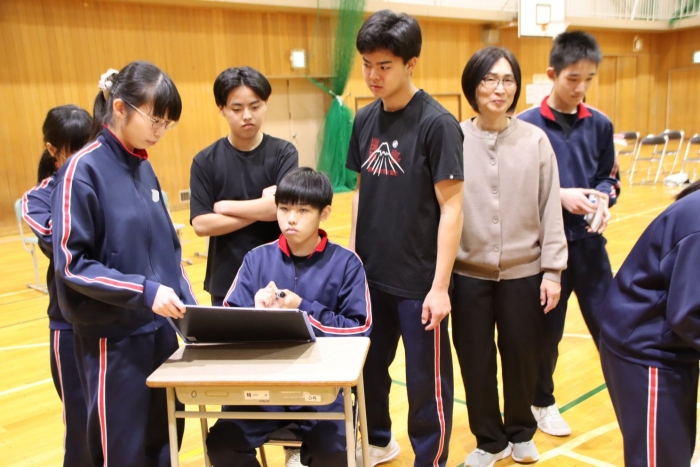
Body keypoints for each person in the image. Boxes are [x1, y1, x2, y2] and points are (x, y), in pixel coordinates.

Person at [51, 62, 197, 467]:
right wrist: (144, 291)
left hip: (160, 334)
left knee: (164, 444)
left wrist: (193, 314)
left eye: (167, 123)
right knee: (122, 452)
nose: (160, 131)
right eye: (155, 119)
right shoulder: (82, 170)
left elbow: (168, 251)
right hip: (113, 340)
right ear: (119, 107)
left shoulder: (144, 167)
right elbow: (73, 263)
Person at [346, 10, 464, 467]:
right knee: (370, 370)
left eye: (385, 66)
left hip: (419, 283)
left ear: (410, 63)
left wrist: (440, 287)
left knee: (425, 383)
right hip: (371, 276)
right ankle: (378, 441)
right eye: (366, 64)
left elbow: (452, 208)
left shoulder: (438, 124)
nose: (373, 75)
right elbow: (361, 192)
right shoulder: (363, 119)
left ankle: (430, 460)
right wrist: (352, 261)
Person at [205, 167, 372, 467]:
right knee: (221, 443)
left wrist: (302, 309)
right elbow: (227, 324)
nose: (291, 218)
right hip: (262, 389)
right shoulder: (256, 259)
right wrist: (255, 313)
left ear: (324, 213)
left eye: (303, 210)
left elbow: (359, 330)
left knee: (334, 452)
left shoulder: (347, 263)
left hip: (322, 391)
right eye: (284, 209)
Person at [452, 47, 568, 467]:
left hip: (524, 272)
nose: (499, 89)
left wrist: (552, 271)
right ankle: (489, 441)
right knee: (475, 360)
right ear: (473, 85)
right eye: (489, 79)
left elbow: (550, 206)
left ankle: (521, 431)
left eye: (507, 80)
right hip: (467, 274)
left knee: (522, 356)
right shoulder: (453, 138)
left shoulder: (535, 140)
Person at [518, 30, 619, 437]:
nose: (580, 88)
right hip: (545, 252)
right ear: (552, 74)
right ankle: (541, 402)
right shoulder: (525, 125)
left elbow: (609, 178)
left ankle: (630, 397)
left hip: (591, 249)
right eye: (572, 78)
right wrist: (559, 195)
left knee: (613, 327)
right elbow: (514, 187)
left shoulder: (601, 124)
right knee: (547, 336)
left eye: (588, 79)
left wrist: (603, 198)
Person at [599, 181, 700, 467]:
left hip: (673, 347)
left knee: (675, 453)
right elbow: (688, 313)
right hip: (648, 349)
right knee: (659, 460)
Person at [190, 66, 298, 306]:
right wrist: (263, 208)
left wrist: (226, 207)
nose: (247, 115)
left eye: (255, 106)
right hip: (226, 279)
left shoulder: (284, 153)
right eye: (237, 109)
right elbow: (201, 224)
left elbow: (283, 209)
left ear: (266, 104)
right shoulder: (205, 161)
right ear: (222, 109)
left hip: (278, 276)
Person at [21, 104, 93, 467]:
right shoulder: (38, 198)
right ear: (53, 150)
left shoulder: (103, 183)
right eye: (74, 148)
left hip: (118, 322)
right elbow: (64, 244)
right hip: (68, 324)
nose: (83, 156)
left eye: (88, 145)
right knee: (80, 426)